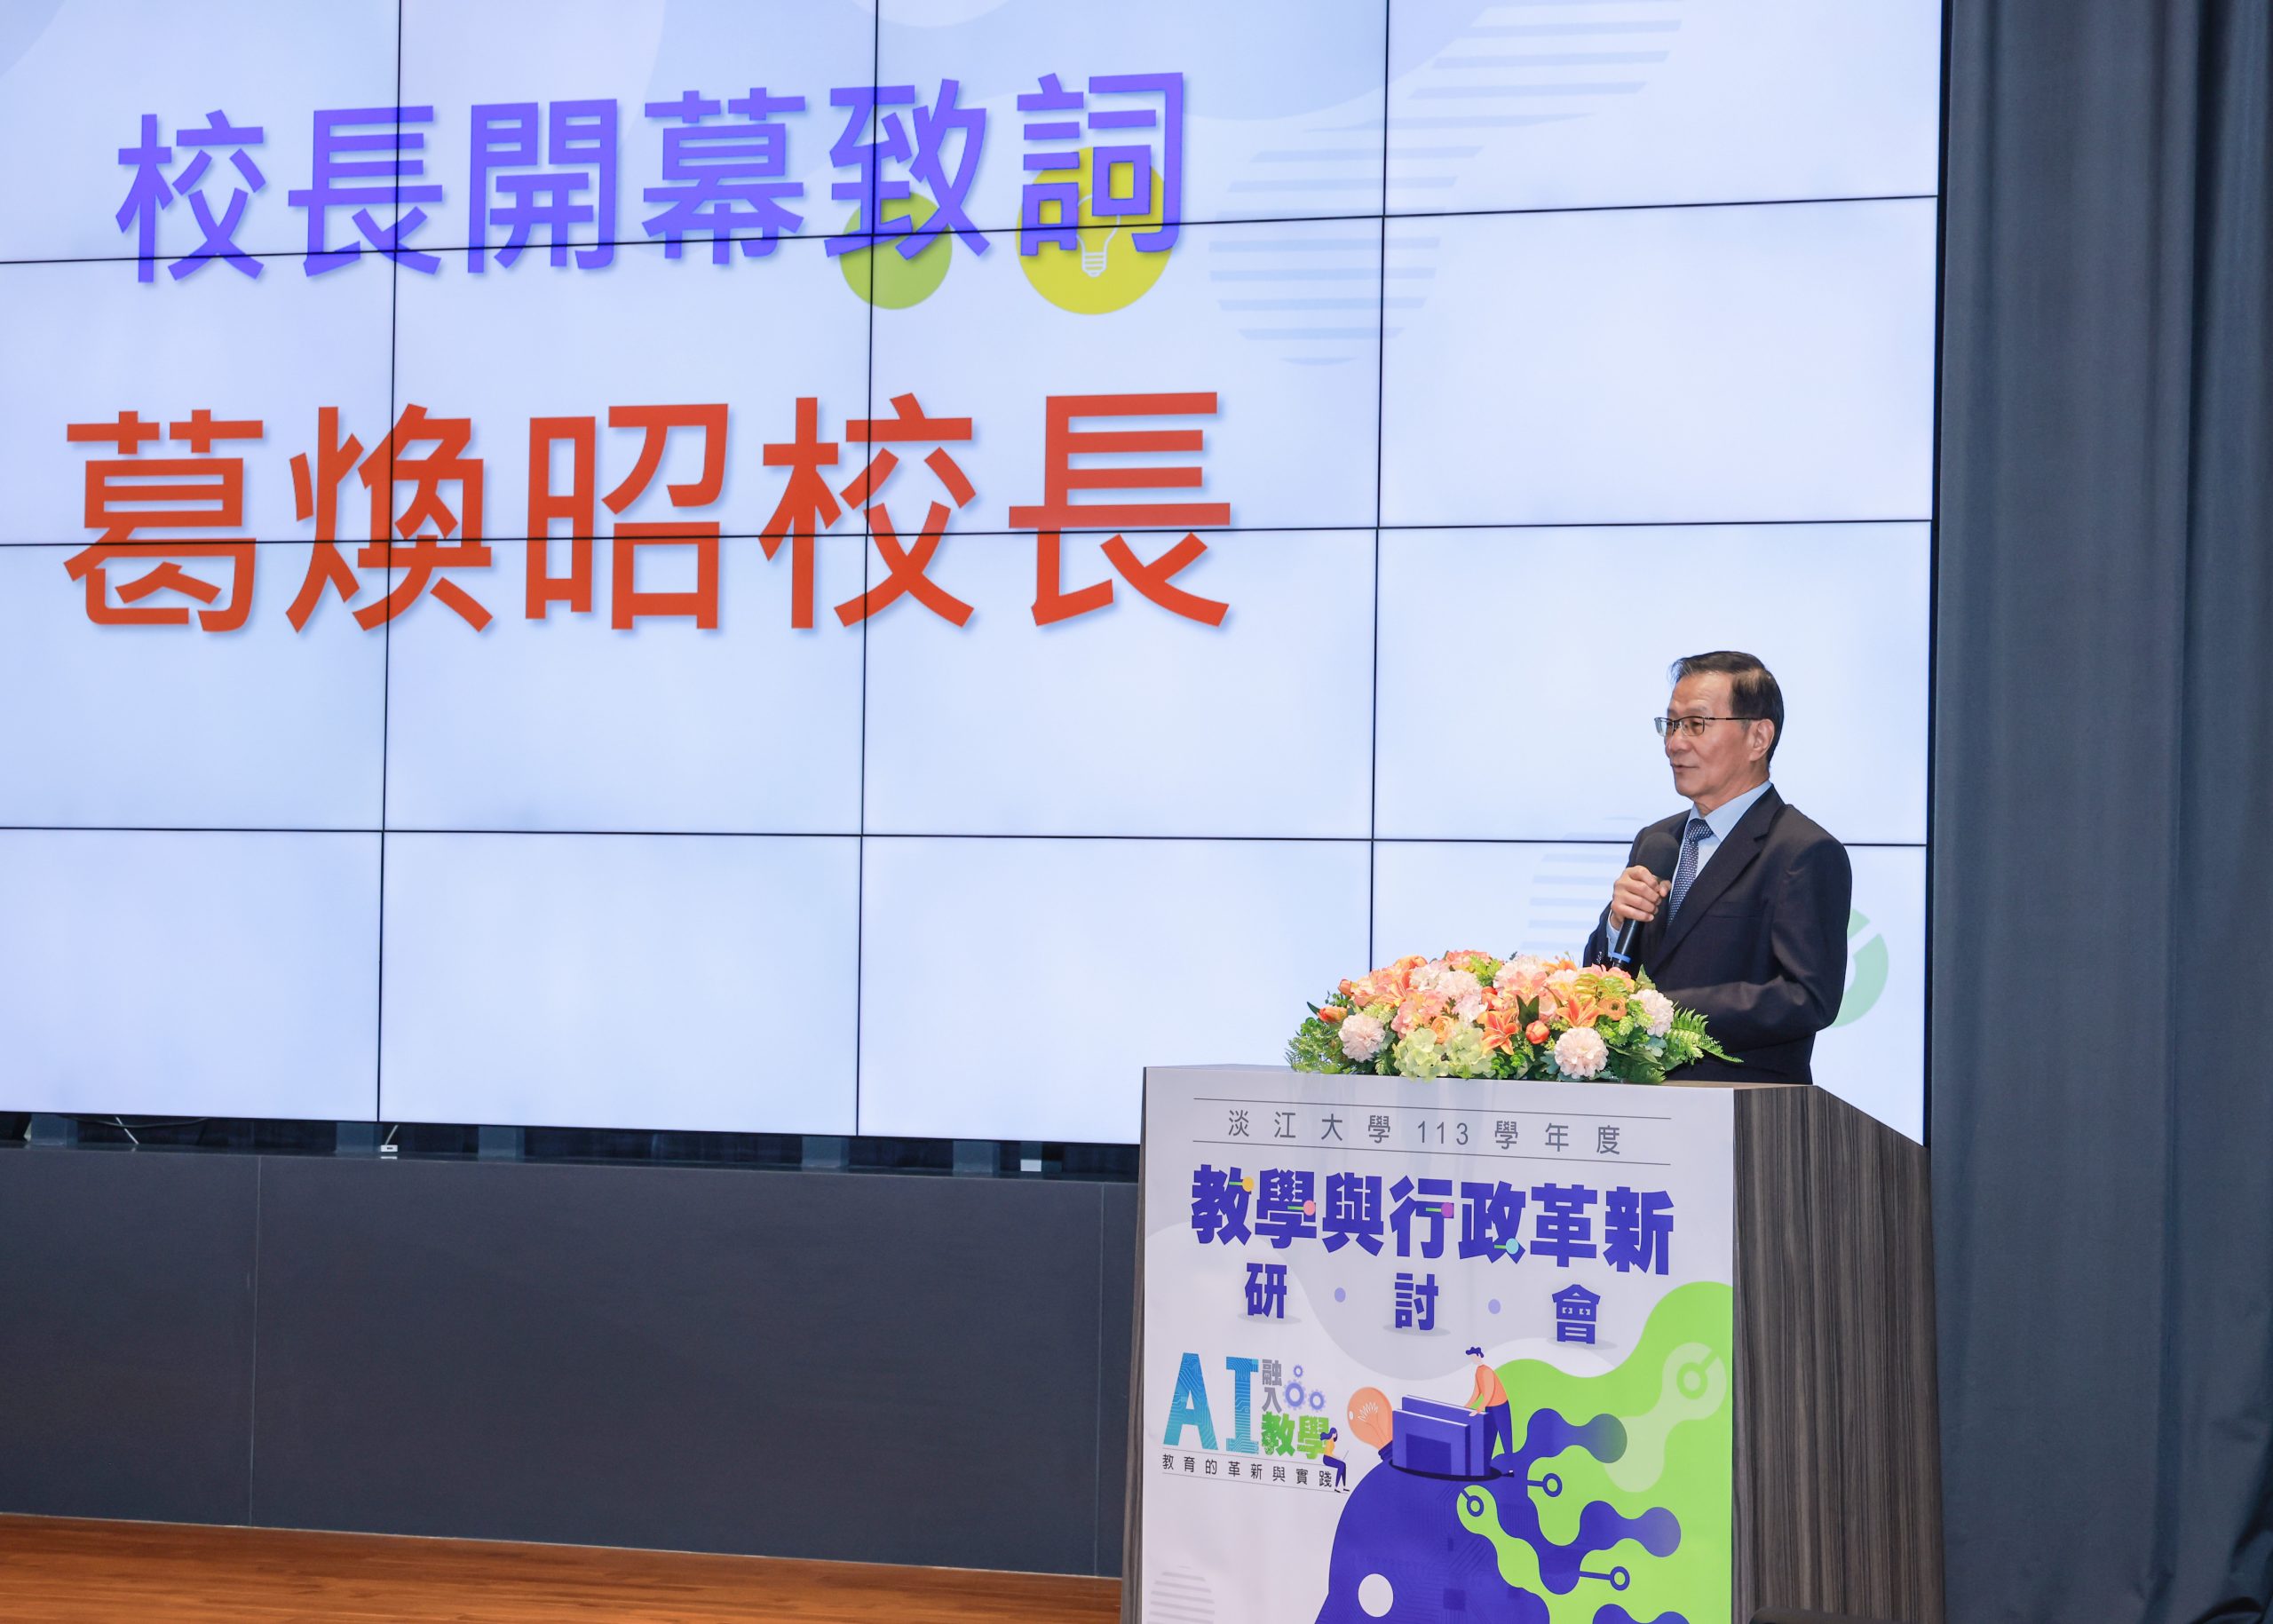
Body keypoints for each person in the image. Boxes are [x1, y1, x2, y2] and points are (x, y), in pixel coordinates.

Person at [1582, 651, 1851, 1084]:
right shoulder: (1657, 840)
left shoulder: (1802, 851)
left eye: (1695, 724)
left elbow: (1807, 997)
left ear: (1758, 738)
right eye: (1671, 724)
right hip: (1637, 1101)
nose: (1674, 743)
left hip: (1747, 1105)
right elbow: (1606, 978)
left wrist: (1661, 1012)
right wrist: (1615, 925)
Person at [1463, 1346, 1513, 1468]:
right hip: (1490, 1408)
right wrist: (1466, 1406)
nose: (1472, 1359)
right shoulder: (1478, 1372)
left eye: (1473, 1356)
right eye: (1471, 1357)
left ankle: (1511, 1468)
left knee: (1506, 1438)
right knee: (1489, 1437)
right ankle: (1486, 1466)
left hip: (1501, 1407)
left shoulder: (1487, 1371)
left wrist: (1478, 1410)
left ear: (1479, 1356)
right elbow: (1477, 1392)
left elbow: (1489, 1393)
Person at [1319, 1425, 1347, 1490]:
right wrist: (1337, 1457)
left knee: (1344, 1464)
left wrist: (1337, 1458)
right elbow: (1328, 1453)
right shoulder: (1329, 1441)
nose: (1336, 1435)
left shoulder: (1332, 1441)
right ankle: (1336, 1487)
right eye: (1335, 1433)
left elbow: (1330, 1453)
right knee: (1341, 1465)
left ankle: (1344, 1486)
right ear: (1332, 1433)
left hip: (1330, 1458)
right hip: (1326, 1459)